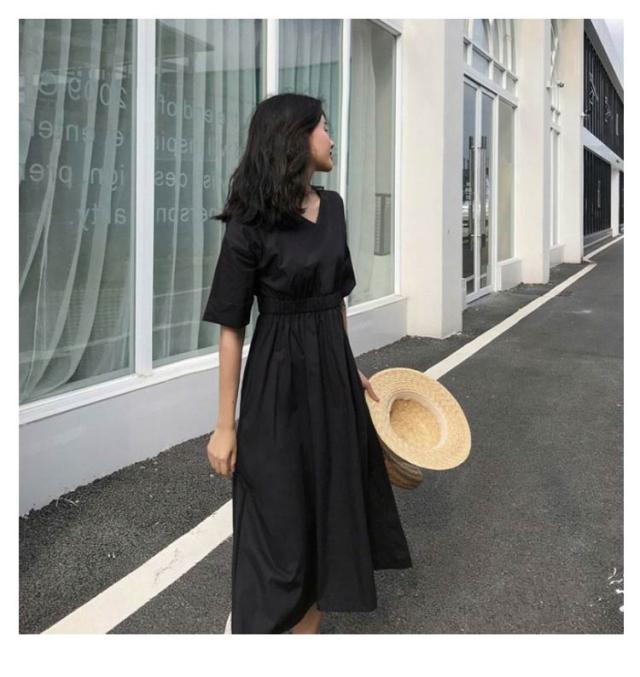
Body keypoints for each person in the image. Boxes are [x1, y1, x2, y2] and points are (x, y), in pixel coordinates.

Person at [202, 93, 412, 634]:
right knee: (277, 512)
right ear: (295, 139)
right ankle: (256, 625)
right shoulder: (250, 222)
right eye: (324, 128)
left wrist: (347, 364)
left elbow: (336, 297)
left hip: (332, 376)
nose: (332, 139)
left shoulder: (334, 207)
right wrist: (225, 425)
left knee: (329, 511)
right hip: (277, 383)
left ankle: (306, 633)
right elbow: (231, 326)